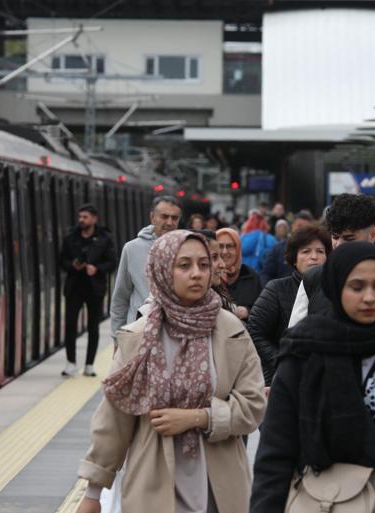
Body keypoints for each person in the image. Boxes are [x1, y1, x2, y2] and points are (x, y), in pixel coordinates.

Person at [75, 230, 266, 513]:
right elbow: (114, 419)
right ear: (163, 270)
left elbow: (253, 405)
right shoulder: (138, 337)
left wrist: (200, 417)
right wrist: (93, 492)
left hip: (220, 489)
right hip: (154, 484)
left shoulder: (231, 332)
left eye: (204, 264)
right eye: (184, 265)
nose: (197, 274)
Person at [250, 242, 375, 513]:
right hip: (320, 502)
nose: (369, 297)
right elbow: (276, 454)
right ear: (335, 286)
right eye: (357, 287)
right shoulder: (303, 351)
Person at [288, 193, 375, 333]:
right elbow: (294, 344)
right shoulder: (313, 280)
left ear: (373, 235)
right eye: (335, 237)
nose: (339, 245)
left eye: (349, 238)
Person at [247, 224, 331, 385]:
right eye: (306, 251)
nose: (314, 257)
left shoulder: (334, 290)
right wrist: (283, 362)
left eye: (320, 251)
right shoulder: (276, 289)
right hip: (280, 379)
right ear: (294, 259)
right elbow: (255, 331)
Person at [110, 196, 181, 337]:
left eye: (174, 218)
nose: (169, 222)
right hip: (139, 333)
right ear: (152, 217)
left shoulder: (188, 249)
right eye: (164, 217)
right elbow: (121, 298)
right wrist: (118, 337)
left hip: (175, 333)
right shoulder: (132, 249)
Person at [59, 204, 116, 376]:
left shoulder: (105, 238)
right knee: (70, 325)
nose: (81, 220)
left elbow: (112, 262)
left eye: (85, 217)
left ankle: (89, 364)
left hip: (95, 288)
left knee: (93, 327)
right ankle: (70, 362)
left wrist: (97, 269)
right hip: (74, 287)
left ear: (94, 218)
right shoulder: (70, 238)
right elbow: (62, 261)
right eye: (80, 217)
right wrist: (73, 266)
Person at [217, 228, 263, 322]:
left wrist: (248, 311)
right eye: (220, 246)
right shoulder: (208, 277)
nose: (225, 252)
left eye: (230, 246)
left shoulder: (251, 276)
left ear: (238, 249)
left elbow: (263, 310)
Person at [261, 211, 315, 284]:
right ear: (292, 226)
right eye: (299, 226)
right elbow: (267, 274)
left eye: (306, 227)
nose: (303, 230)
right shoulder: (278, 249)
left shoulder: (317, 252)